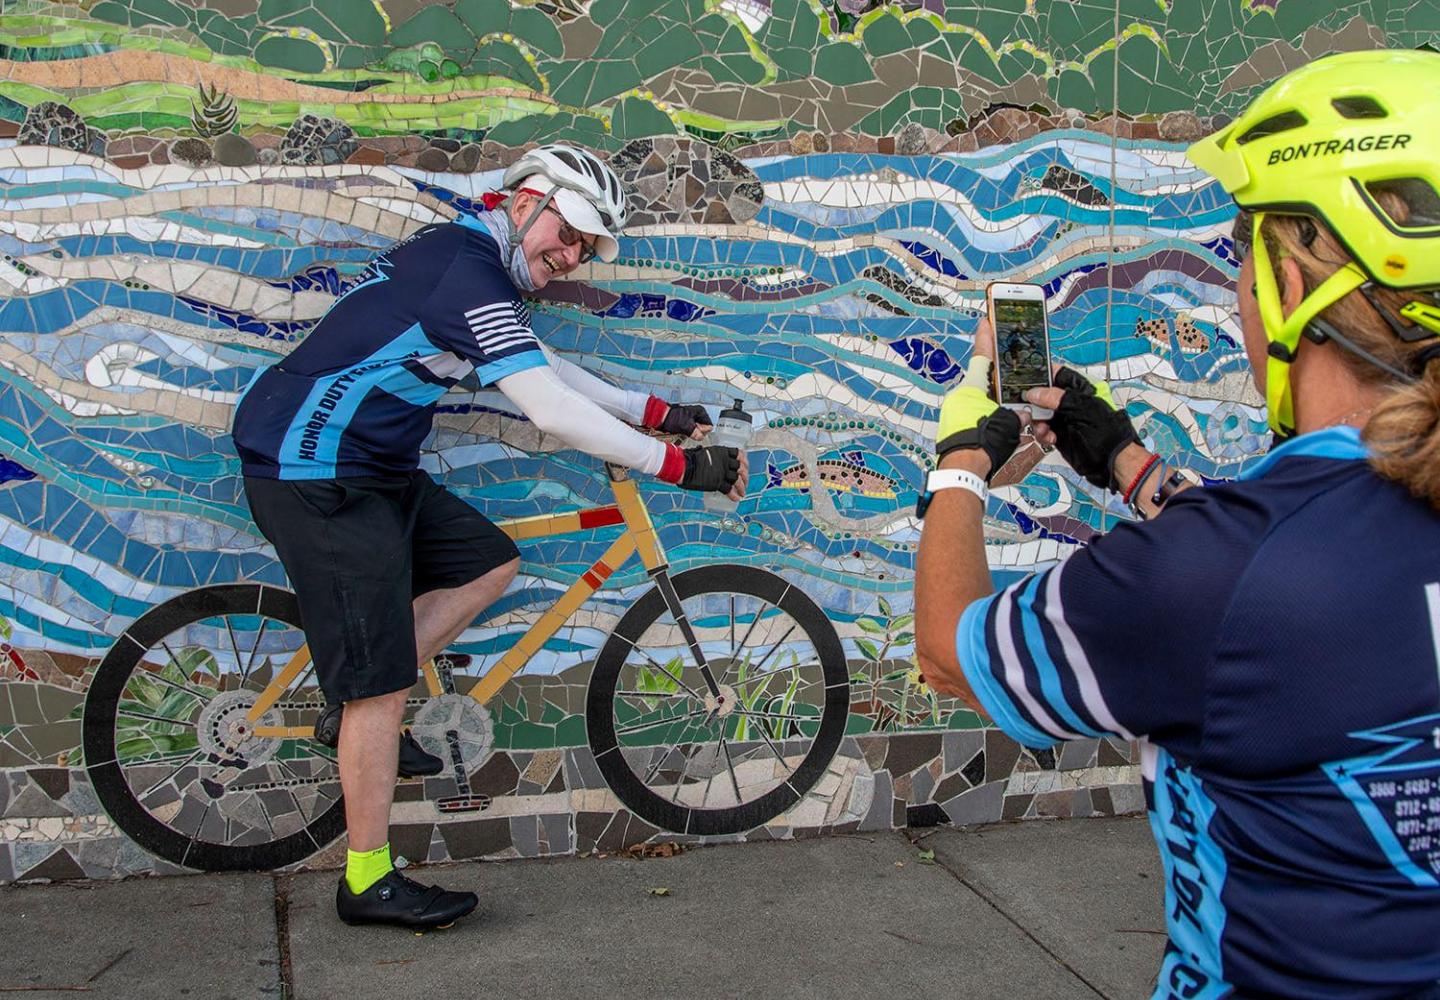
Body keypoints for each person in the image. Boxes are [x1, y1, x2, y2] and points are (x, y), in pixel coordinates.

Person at [914, 50, 1440, 998]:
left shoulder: (1218, 574)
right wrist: (1129, 462)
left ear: (1290, 281)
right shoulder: (1237, 563)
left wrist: (959, 462)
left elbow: (951, 653)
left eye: (1243, 259)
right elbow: (1309, 579)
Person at [231, 144, 748, 930]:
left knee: (487, 561)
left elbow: (537, 363)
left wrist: (649, 410)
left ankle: (356, 701)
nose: (570, 255)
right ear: (527, 202)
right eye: (568, 232)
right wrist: (678, 465)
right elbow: (547, 408)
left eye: (584, 248)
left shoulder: (477, 268)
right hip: (314, 469)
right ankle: (366, 878)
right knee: (379, 685)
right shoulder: (464, 271)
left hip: (370, 462)